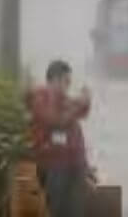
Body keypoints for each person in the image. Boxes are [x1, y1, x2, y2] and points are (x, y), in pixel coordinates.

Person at [26, 59, 92, 217]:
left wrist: (85, 100)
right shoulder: (40, 98)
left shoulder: (63, 99)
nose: (68, 86)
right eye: (65, 81)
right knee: (59, 209)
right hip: (54, 165)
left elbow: (82, 111)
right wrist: (78, 105)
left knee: (75, 210)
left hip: (74, 164)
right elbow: (55, 121)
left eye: (69, 82)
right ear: (54, 80)